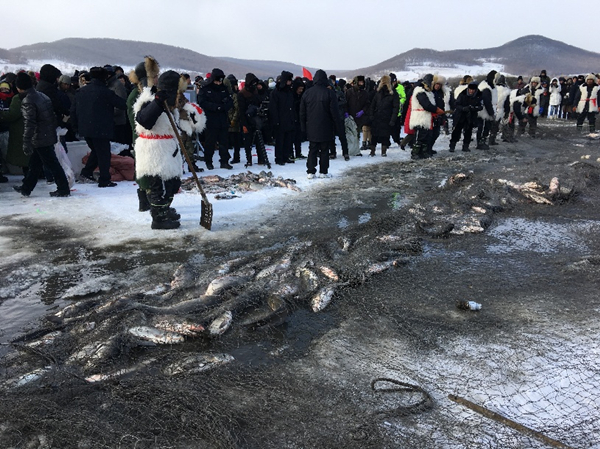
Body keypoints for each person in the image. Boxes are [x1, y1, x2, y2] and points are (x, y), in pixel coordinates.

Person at [134, 70, 206, 229]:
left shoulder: (171, 100)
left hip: (168, 148)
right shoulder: (151, 99)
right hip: (155, 150)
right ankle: (158, 218)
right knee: (159, 186)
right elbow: (144, 120)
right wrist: (158, 103)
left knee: (172, 183)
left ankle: (164, 209)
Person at [12, 72, 70, 197]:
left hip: (39, 137)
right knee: (35, 164)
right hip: (47, 134)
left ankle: (63, 188)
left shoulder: (28, 100)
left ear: (19, 87)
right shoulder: (42, 96)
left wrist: (26, 142)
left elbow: (29, 123)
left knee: (52, 164)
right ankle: (26, 188)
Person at [72, 66, 127, 187]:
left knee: (96, 151)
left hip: (85, 128)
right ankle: (104, 179)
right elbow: (123, 105)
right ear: (104, 78)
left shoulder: (81, 92)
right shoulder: (106, 92)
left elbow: (73, 110)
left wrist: (76, 126)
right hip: (102, 128)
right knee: (104, 154)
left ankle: (86, 173)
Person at [127, 55, 160, 211]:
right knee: (145, 170)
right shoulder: (136, 96)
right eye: (154, 77)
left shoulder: (146, 93)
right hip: (143, 138)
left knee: (149, 169)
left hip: (149, 138)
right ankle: (147, 201)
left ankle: (148, 200)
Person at [299, 69, 342, 179]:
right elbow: (335, 112)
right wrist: (338, 126)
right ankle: (323, 171)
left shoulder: (307, 93)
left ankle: (310, 171)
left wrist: (303, 126)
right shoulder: (329, 93)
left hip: (311, 126)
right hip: (326, 126)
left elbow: (302, 112)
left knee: (312, 149)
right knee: (324, 149)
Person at [197, 68, 233, 170]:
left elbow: (230, 101)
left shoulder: (224, 88)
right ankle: (208, 161)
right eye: (217, 80)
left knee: (224, 142)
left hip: (222, 119)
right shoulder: (205, 88)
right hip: (211, 119)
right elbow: (202, 102)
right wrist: (215, 107)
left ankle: (224, 161)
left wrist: (224, 106)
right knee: (210, 143)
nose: (218, 83)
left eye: (220, 81)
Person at [408, 74, 445, 160]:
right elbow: (426, 105)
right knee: (420, 135)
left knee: (426, 135)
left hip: (426, 117)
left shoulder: (428, 92)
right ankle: (415, 152)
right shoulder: (420, 91)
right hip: (420, 117)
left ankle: (423, 152)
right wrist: (436, 109)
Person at [368, 75, 399, 157]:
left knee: (383, 135)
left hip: (385, 117)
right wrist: (371, 115)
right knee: (376, 135)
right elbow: (372, 105)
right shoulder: (379, 92)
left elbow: (396, 108)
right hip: (380, 117)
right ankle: (374, 151)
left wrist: (393, 119)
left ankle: (380, 151)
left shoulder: (389, 93)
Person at [269, 70, 296, 165]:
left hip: (289, 119)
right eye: (289, 81)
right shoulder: (276, 93)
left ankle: (286, 156)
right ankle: (279, 158)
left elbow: (292, 106)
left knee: (288, 140)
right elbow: (273, 108)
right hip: (280, 121)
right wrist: (275, 121)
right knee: (280, 141)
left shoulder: (289, 92)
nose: (290, 82)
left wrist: (293, 118)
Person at [449, 80, 482, 152]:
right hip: (460, 115)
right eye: (470, 90)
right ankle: (452, 145)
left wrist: (474, 108)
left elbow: (480, 106)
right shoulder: (463, 94)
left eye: (473, 90)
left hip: (471, 115)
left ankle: (466, 146)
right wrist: (463, 108)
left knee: (468, 131)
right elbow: (457, 104)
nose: (471, 91)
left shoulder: (479, 95)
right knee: (457, 130)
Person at [346, 75, 371, 153]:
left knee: (357, 134)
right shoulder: (349, 92)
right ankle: (351, 149)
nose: (361, 83)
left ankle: (356, 150)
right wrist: (346, 112)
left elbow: (367, 104)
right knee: (351, 134)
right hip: (350, 116)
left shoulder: (365, 93)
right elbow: (345, 103)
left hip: (360, 116)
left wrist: (363, 111)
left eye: (362, 82)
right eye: (360, 82)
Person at [476, 70, 498, 150]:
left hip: (487, 110)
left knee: (486, 127)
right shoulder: (486, 88)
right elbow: (487, 101)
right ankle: (480, 142)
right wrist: (491, 113)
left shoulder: (491, 86)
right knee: (482, 127)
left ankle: (483, 141)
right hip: (483, 111)